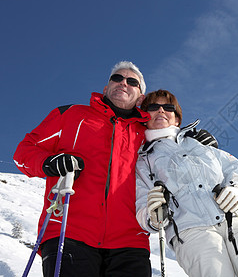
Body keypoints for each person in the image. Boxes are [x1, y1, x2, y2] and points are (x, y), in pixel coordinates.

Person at [14, 61, 152, 277]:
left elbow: (176, 157)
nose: (123, 83)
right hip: (68, 231)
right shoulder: (71, 115)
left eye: (132, 82)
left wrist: (200, 143)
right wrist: (49, 162)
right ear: (106, 89)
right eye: (117, 78)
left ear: (141, 98)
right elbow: (24, 152)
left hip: (130, 242)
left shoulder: (148, 135)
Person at [135, 89, 238, 276]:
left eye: (168, 107)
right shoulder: (143, 160)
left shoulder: (199, 142)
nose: (161, 111)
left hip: (234, 221)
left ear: (177, 118)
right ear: (144, 116)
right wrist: (152, 215)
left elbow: (234, 168)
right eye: (154, 107)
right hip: (190, 231)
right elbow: (141, 202)